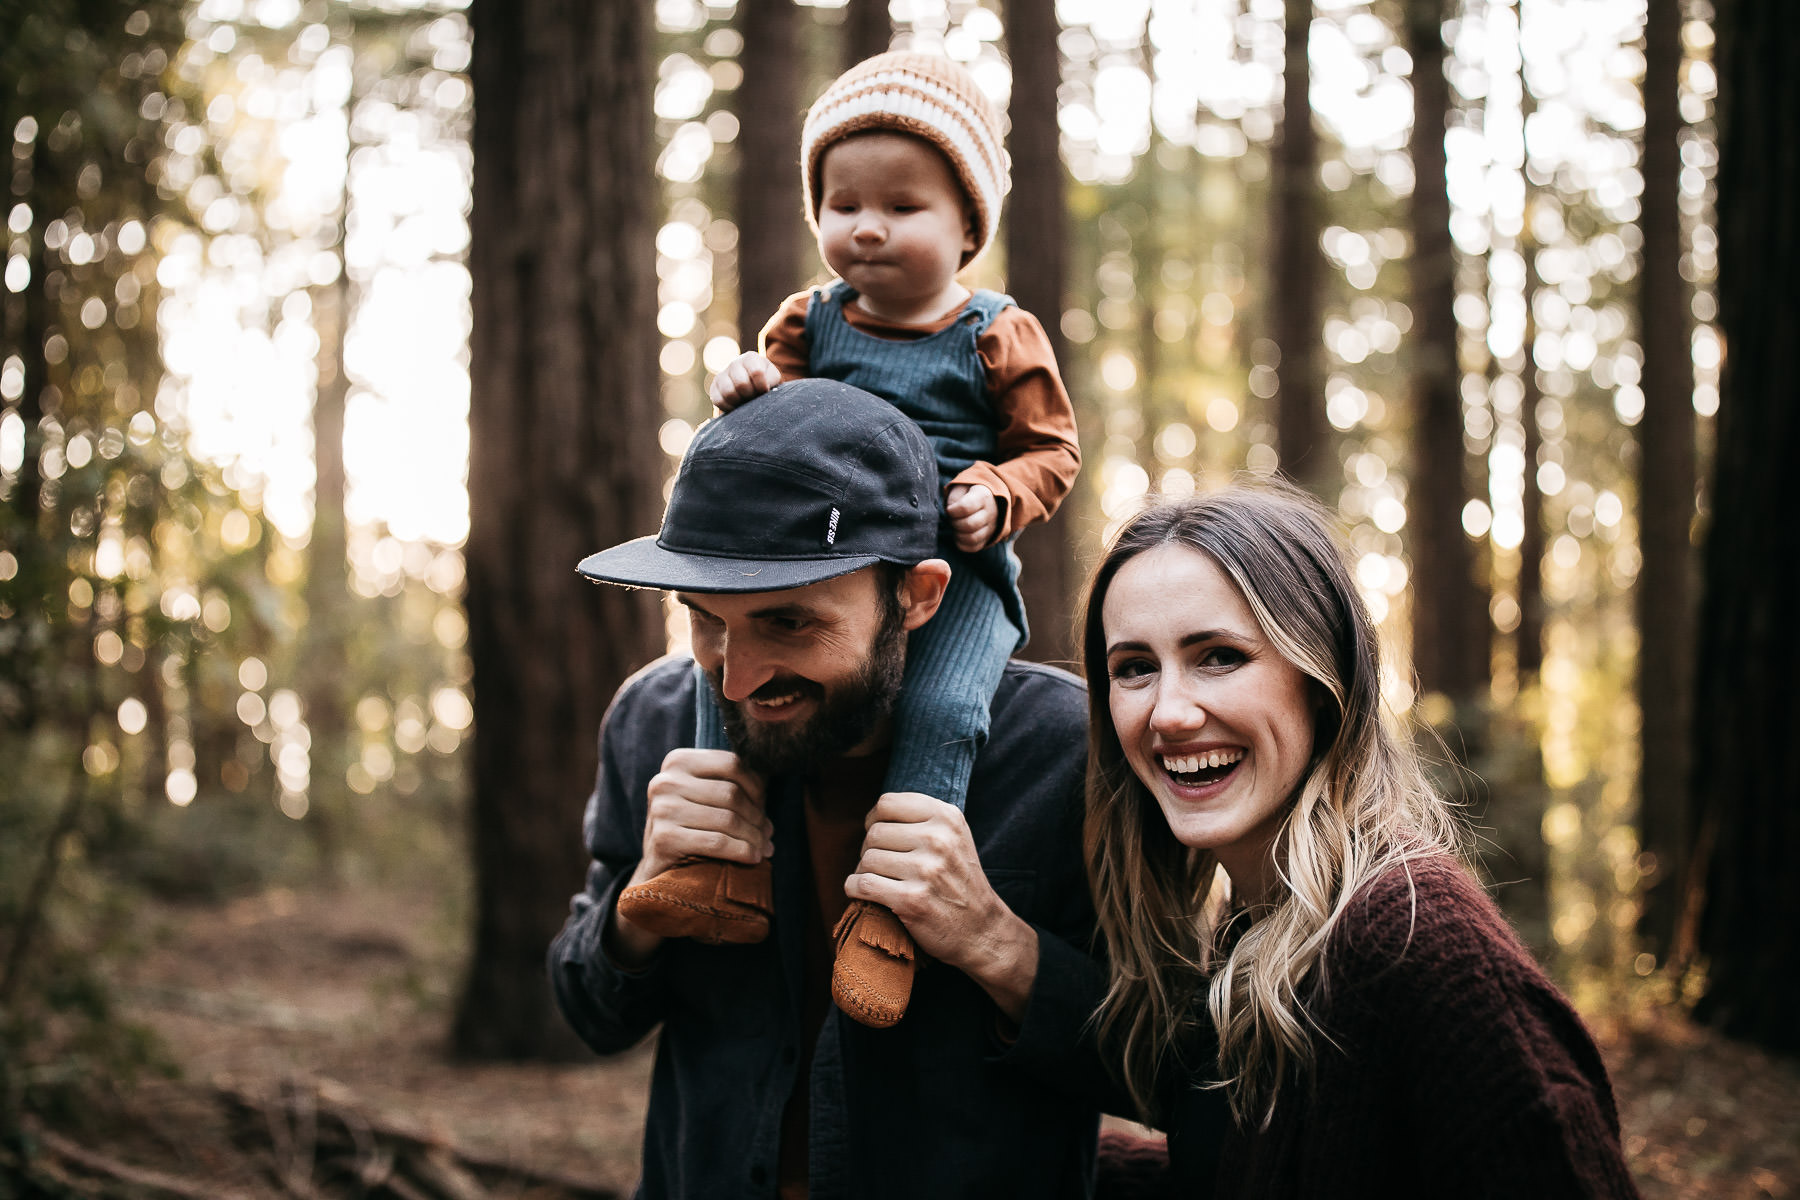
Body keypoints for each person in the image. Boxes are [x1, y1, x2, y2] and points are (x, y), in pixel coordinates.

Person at [551, 379, 1102, 1199]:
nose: (734, 680)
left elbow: (1169, 1071)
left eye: (786, 622)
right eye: (705, 617)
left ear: (917, 595)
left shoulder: (1066, 751)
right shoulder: (652, 720)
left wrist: (997, 944)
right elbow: (590, 1014)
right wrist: (641, 896)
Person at [620, 53, 1080, 1022]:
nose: (866, 226)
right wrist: (752, 388)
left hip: (954, 569)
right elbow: (769, 420)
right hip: (801, 553)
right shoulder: (810, 320)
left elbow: (1051, 452)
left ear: (966, 227)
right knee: (723, 685)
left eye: (903, 207)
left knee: (947, 709)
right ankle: (716, 871)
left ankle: (888, 919)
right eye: (841, 203)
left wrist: (997, 491)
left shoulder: (997, 334)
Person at [1075, 483, 1641, 1197]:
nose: (1170, 713)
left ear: (1323, 678)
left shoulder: (1421, 950)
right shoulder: (1259, 929)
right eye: (1134, 668)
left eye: (1218, 655)